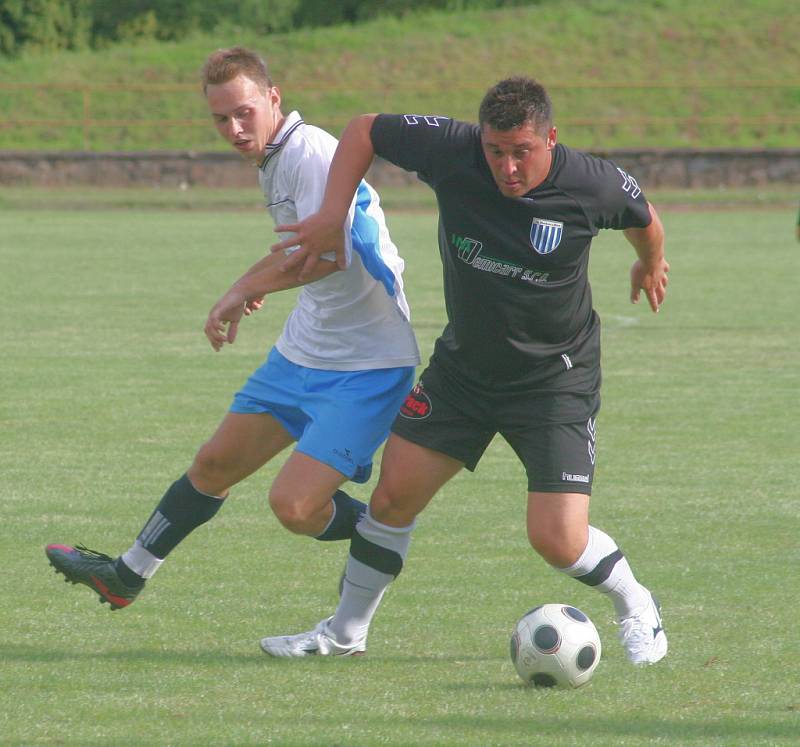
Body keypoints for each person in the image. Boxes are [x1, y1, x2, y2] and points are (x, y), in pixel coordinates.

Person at [258, 76, 670, 665]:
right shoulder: (452, 150)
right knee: (393, 498)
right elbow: (364, 129)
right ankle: (343, 635)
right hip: (464, 374)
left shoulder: (590, 182)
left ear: (550, 139)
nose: (507, 166)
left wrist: (650, 262)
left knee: (557, 542)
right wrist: (331, 212)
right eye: (496, 151)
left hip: (554, 381)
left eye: (522, 151)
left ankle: (636, 603)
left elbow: (643, 216)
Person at [45, 47, 419, 610]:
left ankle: (381, 537)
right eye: (221, 118)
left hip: (368, 362)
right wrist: (238, 289)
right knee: (214, 465)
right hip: (306, 348)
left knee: (295, 508)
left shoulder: (311, 152)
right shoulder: (275, 157)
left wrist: (248, 288)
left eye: (244, 111)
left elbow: (333, 254)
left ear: (273, 98)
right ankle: (127, 575)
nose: (235, 128)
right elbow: (299, 250)